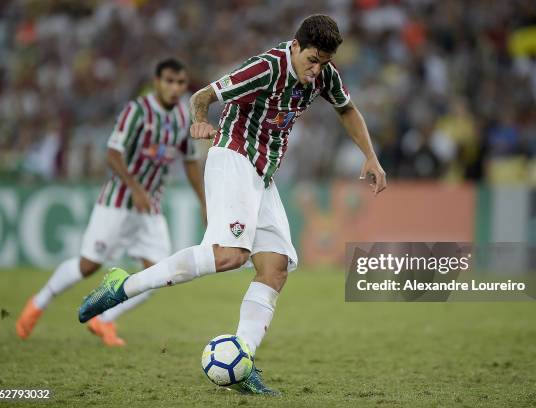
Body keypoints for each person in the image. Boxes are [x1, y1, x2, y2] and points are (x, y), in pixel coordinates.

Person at [78, 15, 386, 393]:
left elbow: (346, 109)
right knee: (229, 255)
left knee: (274, 269)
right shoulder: (265, 68)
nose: (316, 69)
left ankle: (242, 363)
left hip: (262, 173)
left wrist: (370, 156)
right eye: (312, 60)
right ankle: (123, 286)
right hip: (233, 157)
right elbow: (201, 96)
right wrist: (199, 121)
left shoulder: (325, 75)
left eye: (323, 62)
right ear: (296, 45)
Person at [16, 58, 206, 346]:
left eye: (180, 83)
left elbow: (191, 162)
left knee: (160, 274)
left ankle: (103, 319)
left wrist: (204, 202)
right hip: (117, 202)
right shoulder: (137, 111)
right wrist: (135, 188)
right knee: (88, 266)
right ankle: (38, 303)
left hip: (150, 208)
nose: (175, 87)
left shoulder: (183, 117)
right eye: (169, 81)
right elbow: (112, 154)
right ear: (157, 82)